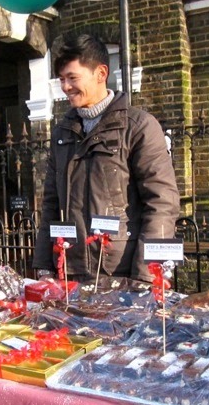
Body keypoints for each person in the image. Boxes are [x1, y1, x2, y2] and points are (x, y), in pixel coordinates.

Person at [32, 33, 180, 282]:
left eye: (72, 78)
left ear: (101, 73)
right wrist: (45, 265)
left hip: (121, 272)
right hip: (70, 271)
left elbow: (162, 203)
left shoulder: (138, 126)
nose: (66, 87)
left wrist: (146, 276)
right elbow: (51, 204)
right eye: (61, 79)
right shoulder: (62, 133)